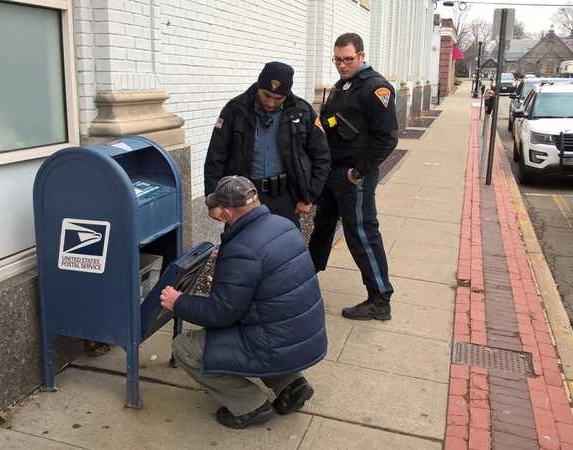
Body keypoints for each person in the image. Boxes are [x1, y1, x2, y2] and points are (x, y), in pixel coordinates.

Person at [160, 176, 327, 429]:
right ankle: (291, 384)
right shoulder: (282, 224)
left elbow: (220, 313)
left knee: (185, 347)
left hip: (274, 342)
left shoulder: (243, 249)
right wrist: (228, 260)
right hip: (302, 336)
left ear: (226, 212)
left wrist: (179, 301)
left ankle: (251, 405)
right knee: (267, 327)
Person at [308, 32, 398, 321]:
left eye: (348, 59)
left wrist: (358, 171)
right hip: (333, 173)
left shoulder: (376, 89)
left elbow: (387, 139)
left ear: (361, 56)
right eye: (338, 59)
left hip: (353, 176)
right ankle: (306, 281)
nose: (342, 65)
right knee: (322, 226)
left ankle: (380, 299)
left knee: (361, 232)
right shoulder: (342, 85)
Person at [204, 62, 330, 228]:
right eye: (266, 95)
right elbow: (216, 156)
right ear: (259, 86)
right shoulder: (235, 110)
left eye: (278, 99)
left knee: (284, 247)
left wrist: (308, 196)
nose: (271, 103)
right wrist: (213, 201)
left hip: (285, 197)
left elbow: (321, 156)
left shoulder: (302, 112)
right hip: (242, 197)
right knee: (242, 247)